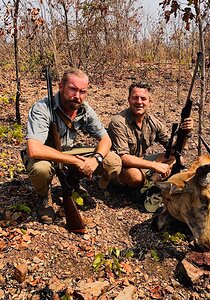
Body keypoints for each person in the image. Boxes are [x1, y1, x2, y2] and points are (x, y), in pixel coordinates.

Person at [22, 68, 122, 224]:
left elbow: (106, 140)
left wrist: (95, 160)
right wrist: (76, 161)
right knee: (40, 169)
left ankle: (72, 182)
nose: (77, 96)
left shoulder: (85, 109)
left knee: (113, 161)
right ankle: (43, 196)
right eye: (73, 89)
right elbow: (34, 149)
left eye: (82, 91)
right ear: (61, 86)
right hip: (44, 155)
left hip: (68, 153)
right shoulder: (42, 108)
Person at [107, 82, 193, 211]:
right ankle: (145, 186)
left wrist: (185, 133)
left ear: (149, 102)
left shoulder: (152, 121)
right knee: (135, 176)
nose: (139, 102)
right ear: (129, 100)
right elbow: (123, 158)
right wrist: (155, 166)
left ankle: (149, 185)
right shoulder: (118, 122)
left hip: (141, 162)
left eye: (143, 98)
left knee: (177, 159)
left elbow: (175, 149)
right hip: (120, 167)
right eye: (135, 97)